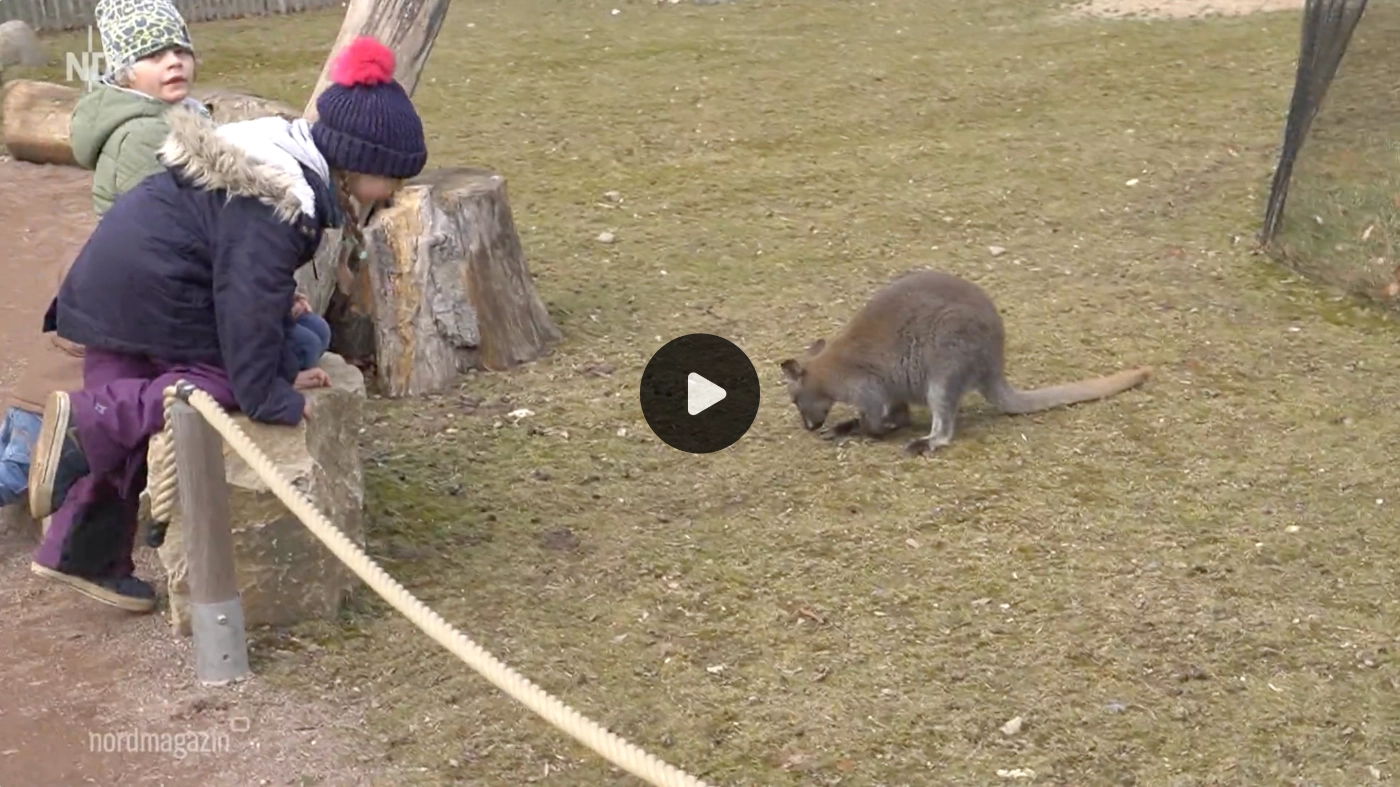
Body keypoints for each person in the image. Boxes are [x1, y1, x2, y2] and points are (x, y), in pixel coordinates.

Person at [24, 35, 427, 612]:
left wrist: (281, 297)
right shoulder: (281, 198)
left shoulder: (276, 155)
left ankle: (81, 552)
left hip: (113, 289)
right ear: (359, 164)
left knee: (115, 426)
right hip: (153, 298)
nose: (393, 193)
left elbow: (229, 252)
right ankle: (90, 420)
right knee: (226, 383)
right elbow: (244, 307)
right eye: (392, 178)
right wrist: (271, 395)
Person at [0, 0, 208, 512]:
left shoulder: (173, 119)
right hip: (130, 287)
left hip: (115, 284)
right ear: (125, 71)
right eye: (155, 54)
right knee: (28, 455)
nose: (174, 61)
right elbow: (164, 224)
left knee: (49, 405)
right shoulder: (147, 134)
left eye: (181, 49)